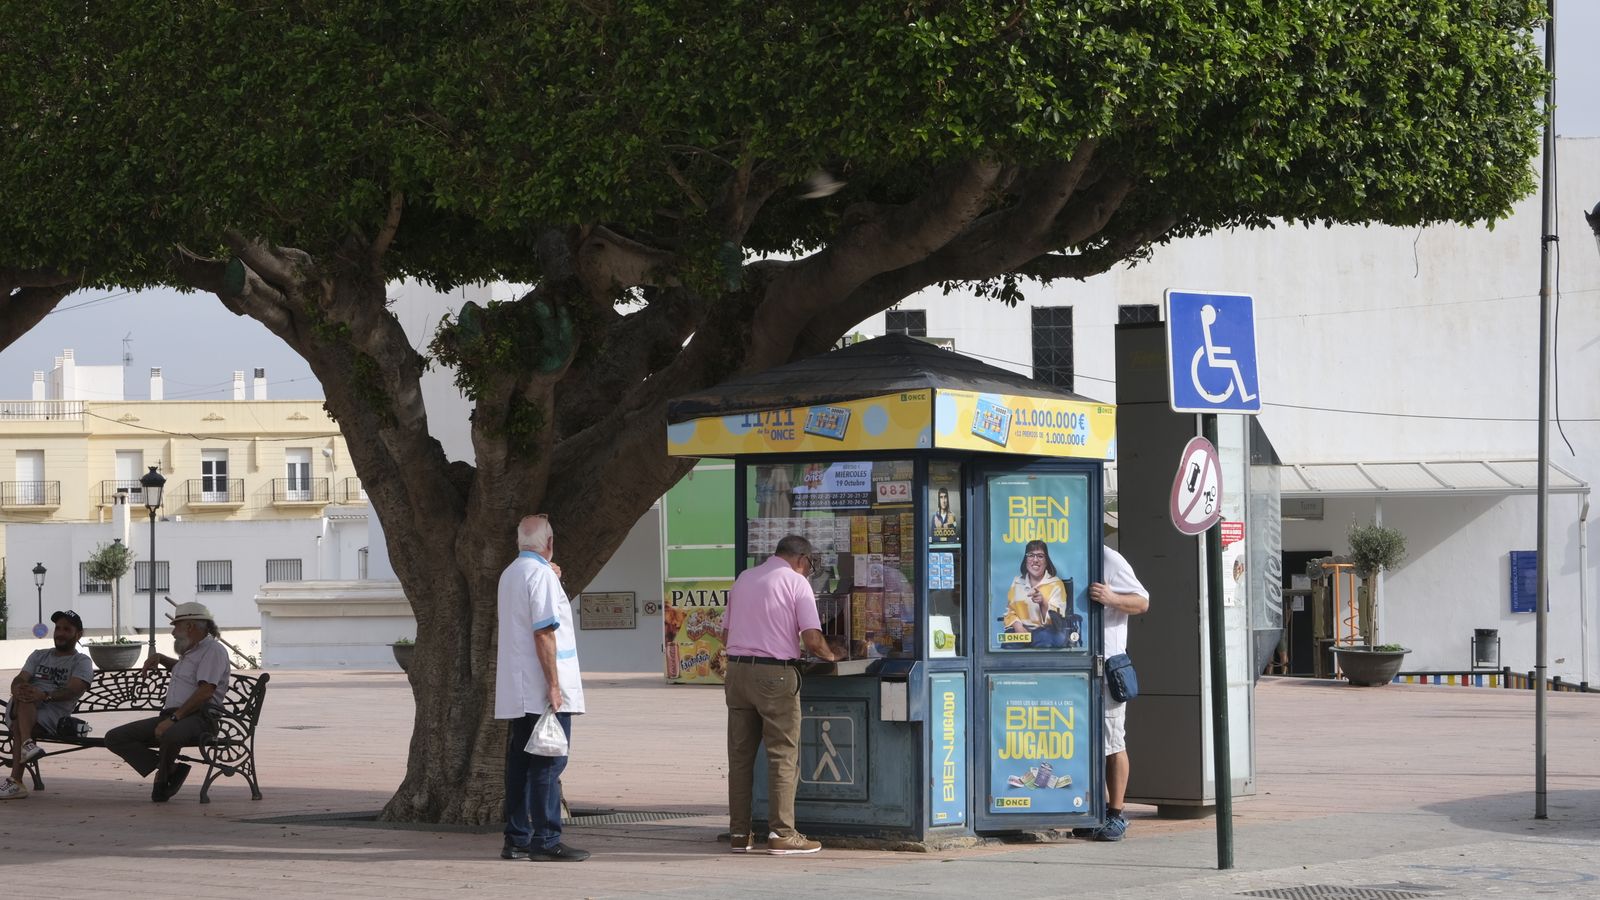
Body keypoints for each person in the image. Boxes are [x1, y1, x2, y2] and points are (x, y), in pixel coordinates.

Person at [724, 534, 837, 856]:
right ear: (801, 559)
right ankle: (782, 833)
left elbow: (725, 632)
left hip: (737, 672)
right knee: (782, 756)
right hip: (775, 674)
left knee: (740, 758)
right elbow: (812, 639)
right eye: (810, 563)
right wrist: (831, 657)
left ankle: (739, 834)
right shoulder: (796, 582)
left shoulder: (745, 578)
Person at [494, 514, 590, 862]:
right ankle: (546, 839)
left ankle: (517, 837)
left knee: (520, 763)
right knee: (549, 762)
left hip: (518, 686)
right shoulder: (541, 576)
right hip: (541, 686)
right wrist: (554, 685)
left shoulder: (512, 573)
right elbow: (545, 632)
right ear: (549, 543)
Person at [105, 602, 232, 802]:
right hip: (175, 715)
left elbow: (206, 691)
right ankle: (169, 768)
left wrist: (173, 719)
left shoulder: (212, 651)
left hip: (202, 718)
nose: (173, 632)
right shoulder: (192, 651)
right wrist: (161, 658)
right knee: (115, 737)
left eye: (176, 626)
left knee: (171, 734)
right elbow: (188, 676)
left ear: (190, 626)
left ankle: (163, 778)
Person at [1084, 545, 1150, 841]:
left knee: (1112, 741)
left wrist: (1111, 598)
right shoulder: (1063, 553)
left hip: (1106, 667)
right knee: (1084, 743)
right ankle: (1091, 811)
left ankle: (1116, 813)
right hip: (1077, 667)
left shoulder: (1107, 557)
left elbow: (1142, 601)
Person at [0, 610, 94, 799]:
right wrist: (18, 688)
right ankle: (27, 748)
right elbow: (20, 678)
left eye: (67, 629)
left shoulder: (81, 661)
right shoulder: (38, 655)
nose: (60, 633)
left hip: (53, 714)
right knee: (25, 695)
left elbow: (73, 689)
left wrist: (44, 695)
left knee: (22, 717)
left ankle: (17, 779)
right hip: (23, 706)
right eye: (58, 628)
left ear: (78, 634)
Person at [1002, 540, 1074, 648]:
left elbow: (1059, 619)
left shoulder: (1056, 584)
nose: (1035, 560)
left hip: (1046, 632)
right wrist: (1018, 628)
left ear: (1046, 561)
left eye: (1040, 556)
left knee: (1050, 638)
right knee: (1006, 642)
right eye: (1031, 555)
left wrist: (1043, 603)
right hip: (1020, 631)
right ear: (1025, 560)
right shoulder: (1017, 582)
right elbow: (1010, 611)